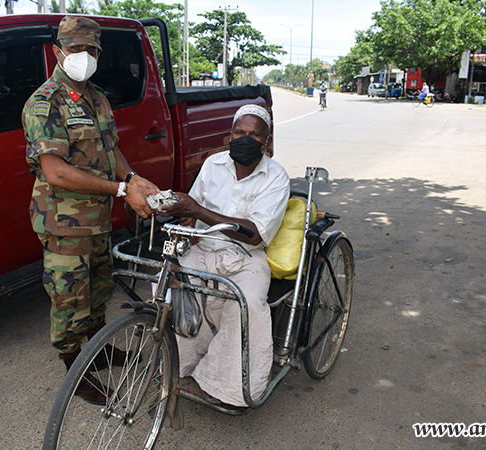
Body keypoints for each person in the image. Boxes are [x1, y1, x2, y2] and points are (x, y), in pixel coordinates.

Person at [22, 16, 158, 404]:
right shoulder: (43, 103)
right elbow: (55, 169)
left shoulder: (96, 96)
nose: (85, 56)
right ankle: (74, 369)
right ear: (58, 51)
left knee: (98, 288)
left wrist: (132, 177)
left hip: (97, 219)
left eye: (92, 49)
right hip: (63, 222)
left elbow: (109, 149)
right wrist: (120, 189)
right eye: (77, 48)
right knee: (70, 298)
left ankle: (98, 351)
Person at [160, 104, 290, 408]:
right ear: (229, 135)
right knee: (174, 288)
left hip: (245, 258)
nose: (245, 139)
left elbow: (255, 233)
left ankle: (225, 386)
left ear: (266, 142)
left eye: (254, 135)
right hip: (203, 247)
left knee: (247, 304)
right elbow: (193, 210)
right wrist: (186, 224)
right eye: (239, 132)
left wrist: (198, 211)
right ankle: (180, 366)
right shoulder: (213, 164)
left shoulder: (276, 177)